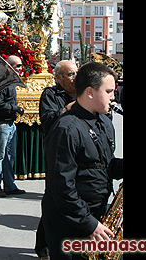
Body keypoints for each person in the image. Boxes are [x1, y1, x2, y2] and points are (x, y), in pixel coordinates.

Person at [41, 62, 123, 260]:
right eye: (109, 91)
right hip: (69, 223)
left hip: (97, 213)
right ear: (90, 92)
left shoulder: (104, 121)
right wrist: (90, 224)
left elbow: (105, 166)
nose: (114, 97)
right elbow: (61, 187)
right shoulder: (66, 129)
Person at [35, 59, 78, 259]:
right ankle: (43, 247)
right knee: (53, 201)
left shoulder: (84, 92)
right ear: (59, 78)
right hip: (57, 155)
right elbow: (49, 121)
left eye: (76, 73)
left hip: (78, 153)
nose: (75, 77)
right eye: (71, 74)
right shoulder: (50, 94)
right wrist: (70, 107)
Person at [0, 55, 26, 197]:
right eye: (18, 66)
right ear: (9, 67)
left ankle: (9, 185)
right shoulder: (1, 82)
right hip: (2, 123)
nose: (21, 69)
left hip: (9, 123)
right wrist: (15, 108)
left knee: (10, 156)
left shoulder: (8, 82)